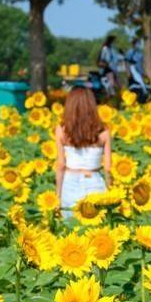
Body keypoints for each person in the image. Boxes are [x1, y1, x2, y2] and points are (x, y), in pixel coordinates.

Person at [54, 86, 112, 221]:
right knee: (95, 231)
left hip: (69, 183)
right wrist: (111, 191)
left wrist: (58, 195)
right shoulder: (104, 131)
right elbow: (108, 168)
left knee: (71, 231)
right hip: (95, 182)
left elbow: (61, 165)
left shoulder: (62, 130)